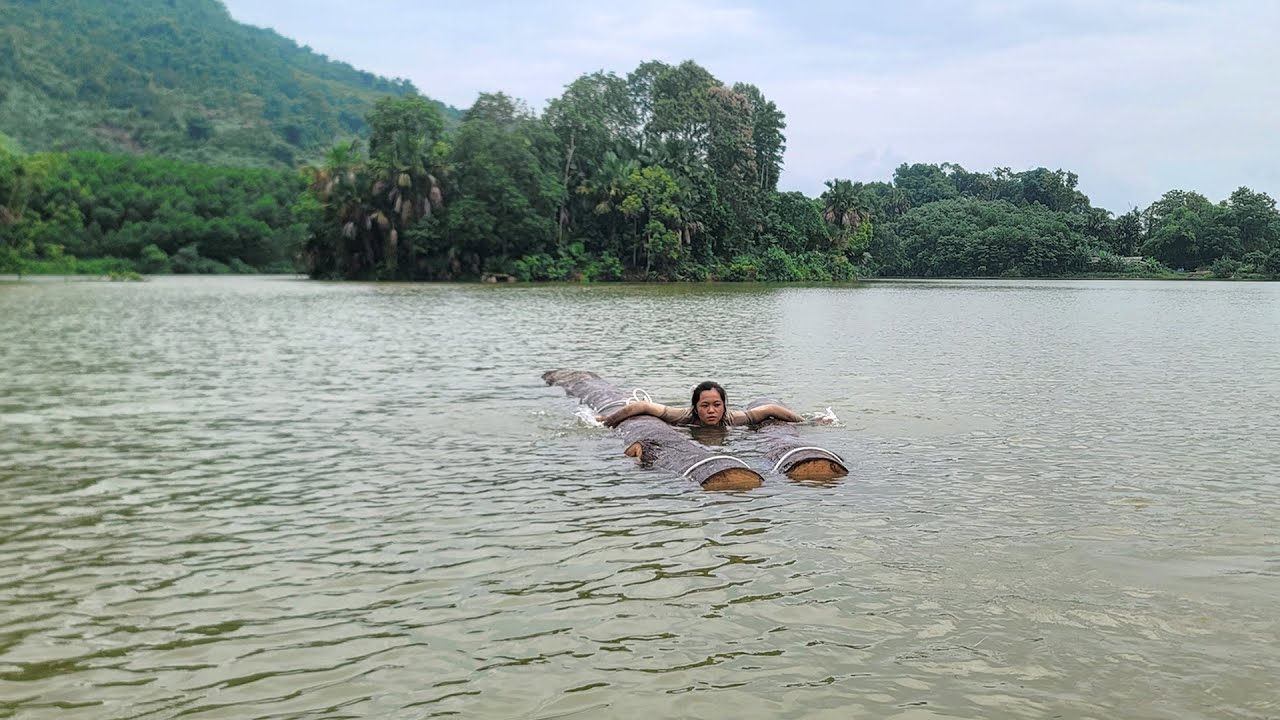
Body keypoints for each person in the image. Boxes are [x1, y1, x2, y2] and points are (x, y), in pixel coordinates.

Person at [596, 381, 805, 428]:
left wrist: (805, 422)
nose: (711, 411)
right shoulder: (684, 416)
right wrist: (608, 421)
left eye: (717, 404)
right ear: (696, 407)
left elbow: (770, 409)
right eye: (705, 405)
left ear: (724, 406)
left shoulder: (733, 418)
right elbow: (643, 406)